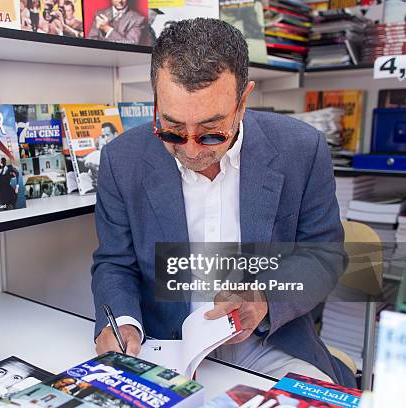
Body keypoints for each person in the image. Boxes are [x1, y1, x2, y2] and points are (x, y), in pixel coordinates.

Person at [92, 18, 354, 387]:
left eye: (212, 131)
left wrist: (263, 298)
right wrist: (120, 323)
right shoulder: (122, 159)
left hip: (271, 344)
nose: (192, 149)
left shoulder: (301, 149)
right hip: (166, 349)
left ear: (243, 101)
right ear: (156, 100)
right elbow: (114, 263)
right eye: (173, 129)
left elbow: (323, 254)